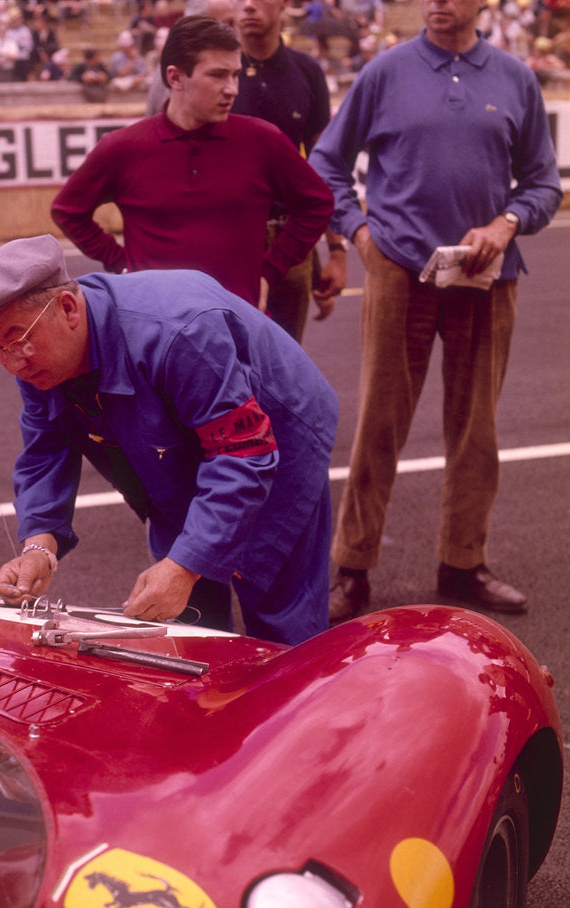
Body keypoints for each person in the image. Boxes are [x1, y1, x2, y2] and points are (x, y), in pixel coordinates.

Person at [0, 235, 339, 646]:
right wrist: (39, 545)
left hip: (272, 439)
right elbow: (45, 449)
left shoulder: (180, 331)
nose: (12, 363)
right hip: (173, 449)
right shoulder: (37, 355)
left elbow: (242, 453)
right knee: (186, 626)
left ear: (67, 308)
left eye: (16, 339)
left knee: (280, 619)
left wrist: (186, 566)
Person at [308, 0, 562, 622]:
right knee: (380, 424)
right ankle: (354, 567)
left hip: (488, 277)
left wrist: (506, 224)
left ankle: (463, 561)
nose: (439, 4)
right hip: (400, 269)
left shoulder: (514, 76)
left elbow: (544, 184)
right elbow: (327, 164)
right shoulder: (386, 71)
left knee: (477, 428)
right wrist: (362, 237)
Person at [52, 16, 333, 313]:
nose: (232, 89)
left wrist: (269, 271)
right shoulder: (122, 147)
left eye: (235, 75)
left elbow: (318, 204)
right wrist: (122, 265)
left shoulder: (263, 140)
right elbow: (68, 211)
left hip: (238, 326)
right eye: (218, 75)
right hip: (152, 328)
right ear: (175, 78)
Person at [230, 0, 348, 341]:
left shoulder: (307, 71)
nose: (248, 6)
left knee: (285, 362)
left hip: (291, 240)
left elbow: (323, 168)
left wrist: (335, 251)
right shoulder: (214, 70)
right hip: (227, 238)